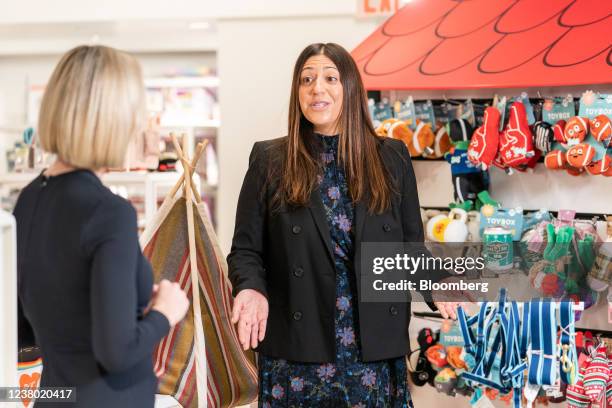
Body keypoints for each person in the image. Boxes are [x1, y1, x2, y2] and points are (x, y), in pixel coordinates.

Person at [228, 42, 461, 407]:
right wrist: (250, 288)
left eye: (329, 78)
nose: (316, 88)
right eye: (306, 79)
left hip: (373, 347)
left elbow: (409, 248)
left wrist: (439, 282)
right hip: (297, 347)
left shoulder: (391, 157)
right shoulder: (270, 159)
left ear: (350, 88)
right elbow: (246, 250)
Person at [14, 45, 189, 408]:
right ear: (113, 119)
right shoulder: (109, 213)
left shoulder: (29, 198)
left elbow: (28, 325)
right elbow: (117, 353)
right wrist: (165, 312)